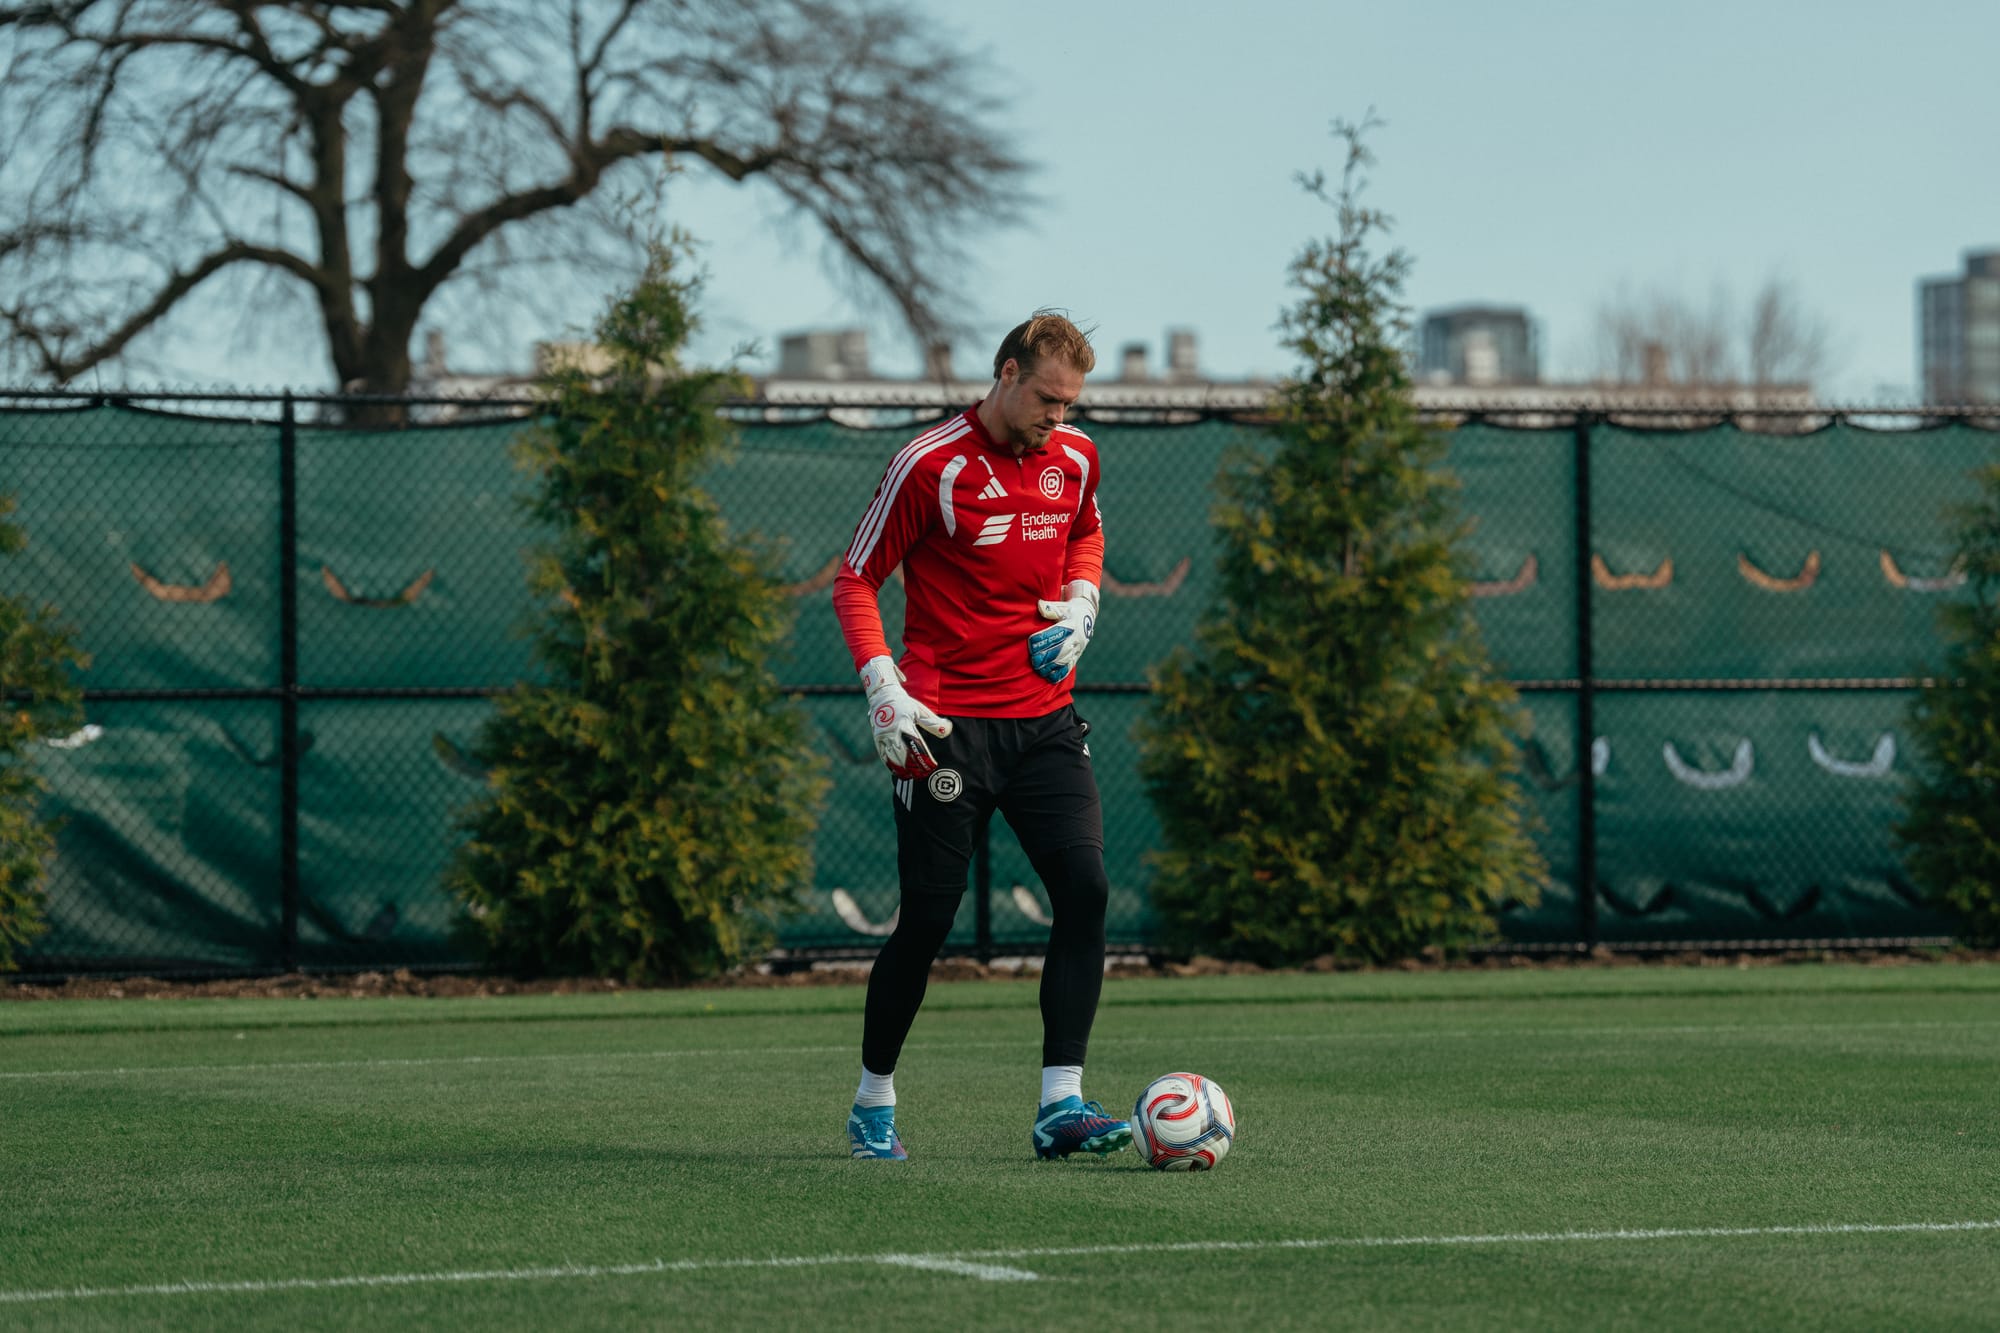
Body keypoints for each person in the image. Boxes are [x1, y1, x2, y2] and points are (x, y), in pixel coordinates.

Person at [830, 311, 1130, 1163]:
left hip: (1045, 720)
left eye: (1071, 405)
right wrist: (882, 685)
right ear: (1005, 373)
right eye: (1046, 399)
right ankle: (872, 1099)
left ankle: (1060, 1106)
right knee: (927, 921)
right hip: (944, 727)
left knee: (1086, 888)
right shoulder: (928, 465)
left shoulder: (1075, 458)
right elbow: (857, 577)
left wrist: (1082, 606)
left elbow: (1086, 534)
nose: (1058, 419)